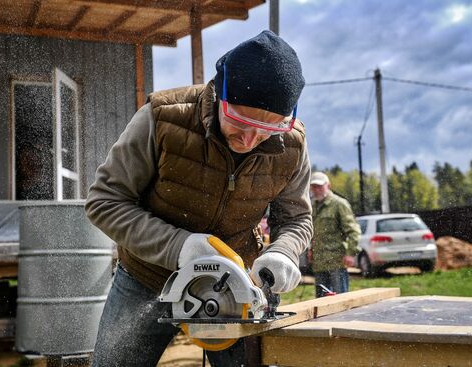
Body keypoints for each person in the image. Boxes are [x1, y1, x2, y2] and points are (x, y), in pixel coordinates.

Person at [85, 30, 313, 367]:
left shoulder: (292, 144)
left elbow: (296, 218)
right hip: (148, 276)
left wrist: (285, 251)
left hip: (237, 286)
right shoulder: (162, 118)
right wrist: (179, 247)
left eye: (268, 129)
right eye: (239, 120)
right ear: (219, 93)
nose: (250, 139)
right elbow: (105, 201)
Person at [309, 171, 361, 298]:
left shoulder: (339, 204)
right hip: (319, 262)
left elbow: (354, 231)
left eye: (320, 186)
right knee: (321, 301)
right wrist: (310, 249)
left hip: (336, 261)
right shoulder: (311, 206)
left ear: (329, 186)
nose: (316, 190)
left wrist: (350, 253)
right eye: (314, 187)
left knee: (340, 299)